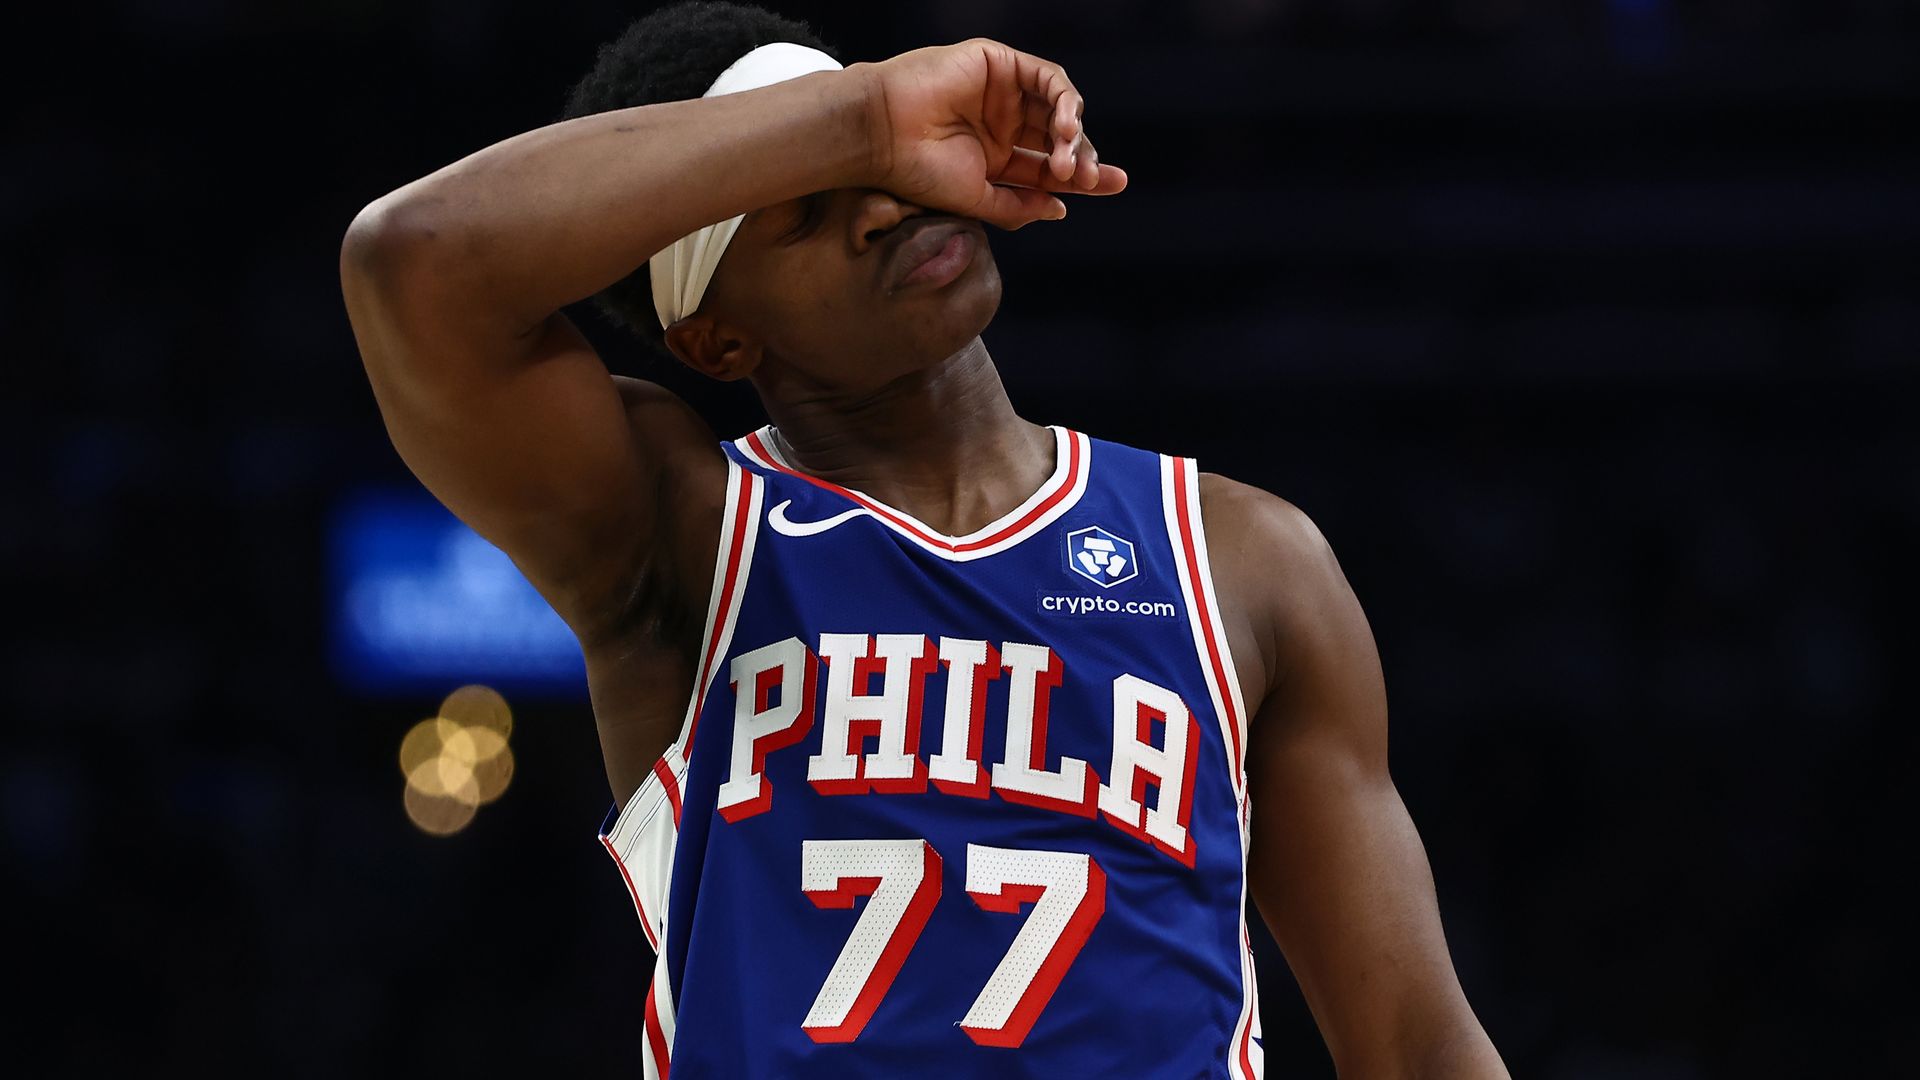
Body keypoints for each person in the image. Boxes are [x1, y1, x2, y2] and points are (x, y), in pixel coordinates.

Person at [339, 3, 1509, 1076]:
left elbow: (1415, 1044)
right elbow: (415, 261)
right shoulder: (680, 533)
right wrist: (863, 112)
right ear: (716, 342)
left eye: (887, 169)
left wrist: (848, 133)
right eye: (815, 205)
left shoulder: (1242, 557)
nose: (889, 202)